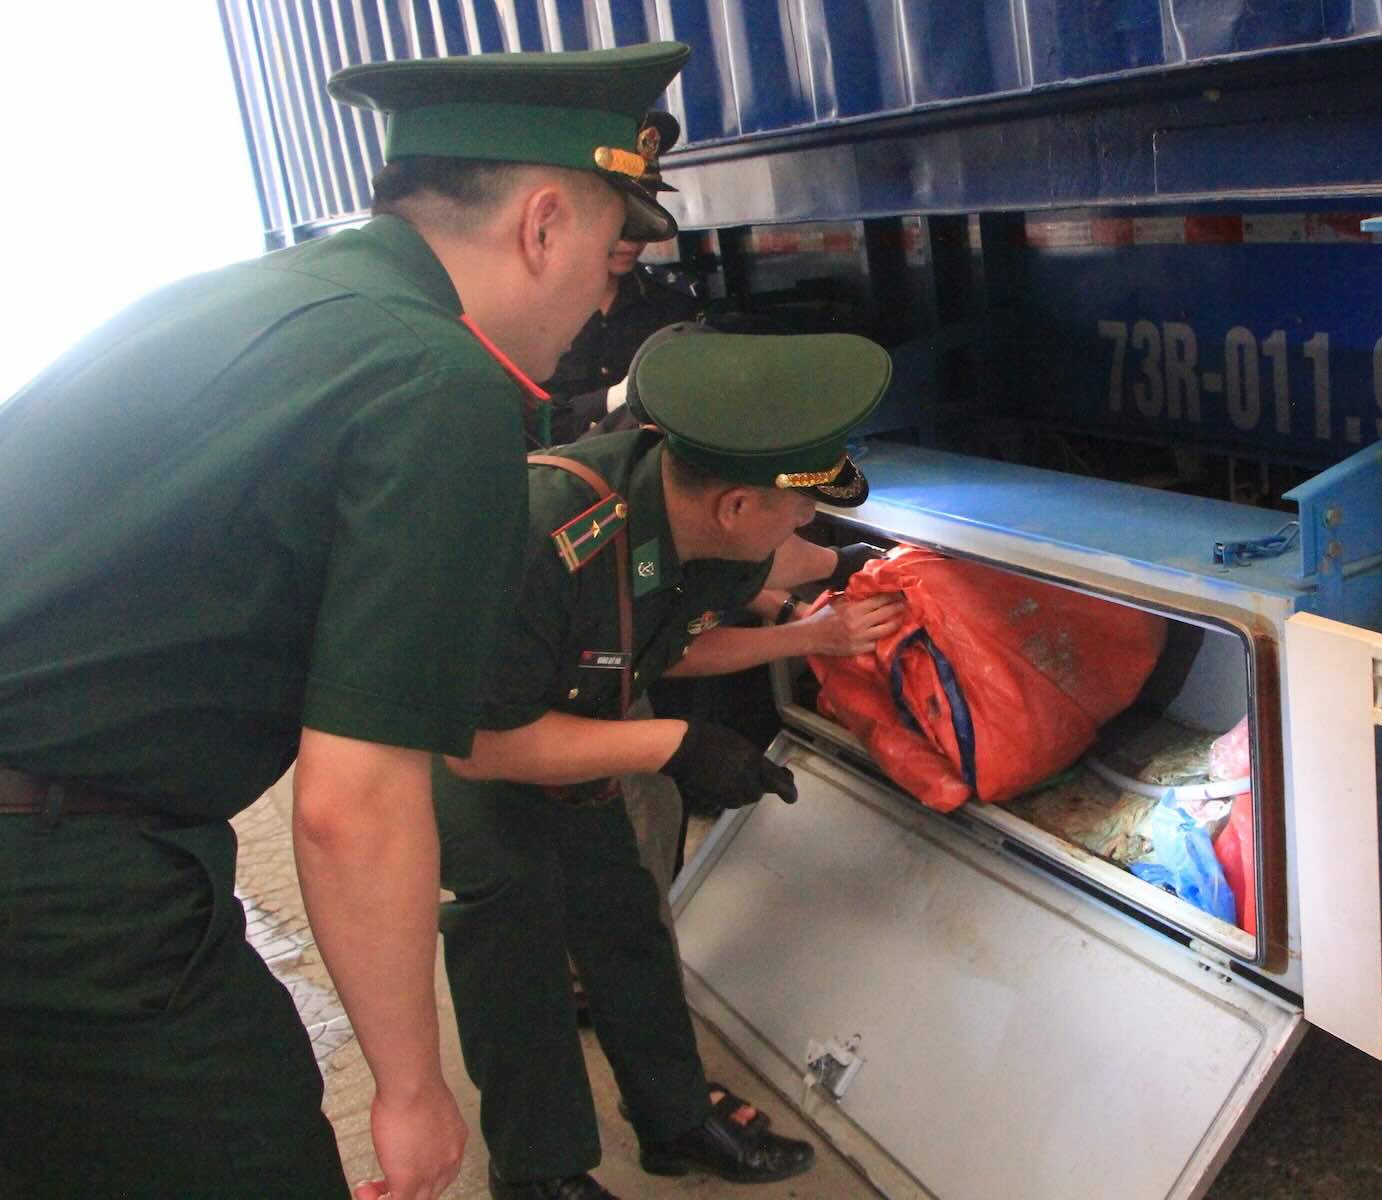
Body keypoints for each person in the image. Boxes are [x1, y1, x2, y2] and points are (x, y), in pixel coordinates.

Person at [0, 42, 691, 1200]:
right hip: (61, 885)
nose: (605, 297)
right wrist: (413, 1090)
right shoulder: (435, 381)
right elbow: (351, 802)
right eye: (613, 252)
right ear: (542, 227)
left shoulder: (246, 296)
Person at [433, 329, 899, 1200]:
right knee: (519, 957)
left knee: (629, 928)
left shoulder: (706, 526)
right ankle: (538, 1175)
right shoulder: (546, 531)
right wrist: (674, 746)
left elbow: (665, 641)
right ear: (735, 509)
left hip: (579, 734)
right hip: (479, 755)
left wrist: (810, 629)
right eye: (797, 506)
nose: (807, 524)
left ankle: (677, 1122)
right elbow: (481, 745)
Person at [539, 110, 704, 445]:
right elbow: (523, 428)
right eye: (622, 220)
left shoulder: (673, 306)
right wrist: (612, 400)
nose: (632, 239)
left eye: (646, 219)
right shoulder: (532, 310)